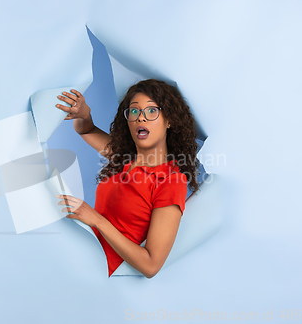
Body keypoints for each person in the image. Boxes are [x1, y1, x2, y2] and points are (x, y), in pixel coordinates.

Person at [54, 79, 200, 278]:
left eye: (151, 111)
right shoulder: (123, 158)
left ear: (169, 120)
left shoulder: (171, 181)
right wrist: (84, 114)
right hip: (76, 256)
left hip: (99, 276)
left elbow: (151, 265)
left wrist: (96, 220)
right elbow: (86, 130)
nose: (141, 118)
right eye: (134, 111)